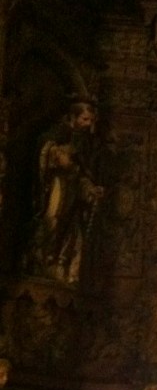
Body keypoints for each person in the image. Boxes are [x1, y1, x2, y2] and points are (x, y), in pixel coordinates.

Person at [26, 94, 104, 284]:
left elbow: (83, 170)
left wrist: (91, 189)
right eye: (85, 119)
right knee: (52, 219)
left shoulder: (85, 142)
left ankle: (62, 265)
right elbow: (44, 150)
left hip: (73, 191)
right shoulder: (57, 133)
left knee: (72, 231)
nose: (88, 124)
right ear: (73, 117)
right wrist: (55, 155)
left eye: (91, 120)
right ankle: (43, 262)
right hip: (57, 185)